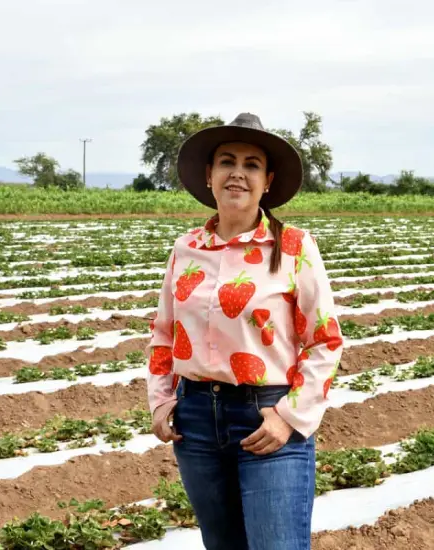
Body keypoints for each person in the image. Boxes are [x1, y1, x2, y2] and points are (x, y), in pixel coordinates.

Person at [145, 112, 344, 550]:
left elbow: (324, 339)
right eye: (227, 162)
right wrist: (161, 401)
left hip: (267, 417)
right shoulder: (187, 248)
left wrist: (288, 417)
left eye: (251, 164)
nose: (238, 172)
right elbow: (164, 332)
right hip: (195, 419)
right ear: (209, 176)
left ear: (267, 181)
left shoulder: (293, 246)